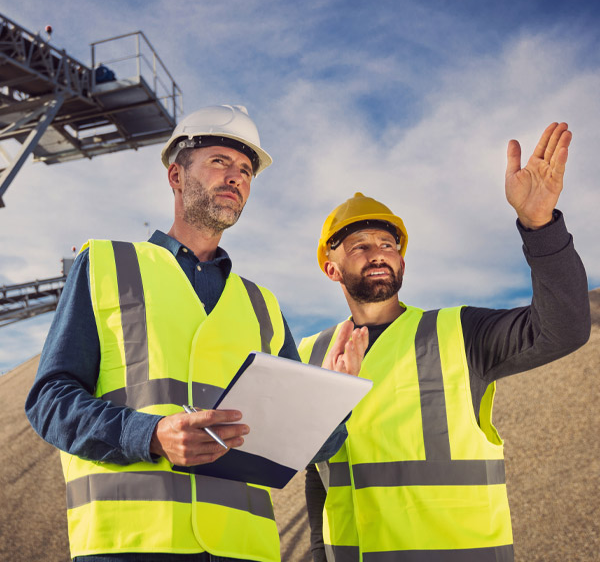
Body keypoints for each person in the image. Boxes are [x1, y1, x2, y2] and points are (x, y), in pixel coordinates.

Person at [25, 105, 366, 562]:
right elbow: (49, 401)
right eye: (220, 162)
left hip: (244, 549)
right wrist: (151, 434)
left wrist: (333, 400)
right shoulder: (108, 265)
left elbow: (309, 445)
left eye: (246, 170)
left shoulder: (262, 305)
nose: (236, 177)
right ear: (176, 176)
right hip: (133, 546)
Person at [299, 122, 591, 561]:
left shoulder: (460, 333)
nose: (378, 251)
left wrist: (539, 226)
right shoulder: (308, 356)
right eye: (360, 245)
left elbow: (565, 327)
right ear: (331, 268)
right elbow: (316, 473)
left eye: (387, 243)